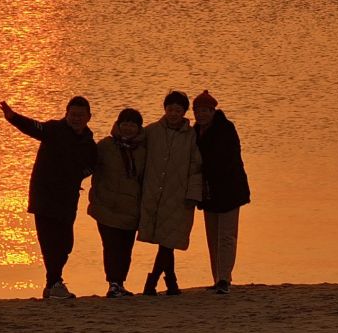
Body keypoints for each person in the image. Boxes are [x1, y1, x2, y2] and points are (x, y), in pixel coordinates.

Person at [0, 96, 98, 299]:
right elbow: (34, 127)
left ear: (89, 117)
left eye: (80, 115)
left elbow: (92, 166)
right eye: (73, 114)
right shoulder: (54, 130)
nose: (76, 118)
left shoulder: (88, 142)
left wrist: (77, 174)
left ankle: (53, 283)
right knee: (49, 243)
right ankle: (54, 284)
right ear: (66, 114)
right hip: (44, 196)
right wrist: (13, 117)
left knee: (65, 244)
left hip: (67, 199)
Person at [137, 90, 202, 295]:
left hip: (179, 196)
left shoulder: (191, 136)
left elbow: (196, 166)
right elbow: (134, 148)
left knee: (169, 241)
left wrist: (193, 193)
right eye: (170, 109)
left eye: (178, 110)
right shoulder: (152, 131)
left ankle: (154, 281)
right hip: (154, 193)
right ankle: (169, 281)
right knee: (166, 241)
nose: (174, 113)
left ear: (184, 112)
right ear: (165, 109)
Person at [192, 88, 251, 295]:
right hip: (209, 192)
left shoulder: (225, 128)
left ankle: (224, 278)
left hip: (229, 190)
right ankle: (217, 277)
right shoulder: (195, 132)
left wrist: (204, 167)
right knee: (213, 237)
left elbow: (227, 159)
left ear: (213, 110)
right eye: (198, 111)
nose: (201, 115)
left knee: (226, 236)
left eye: (205, 111)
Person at [86, 107, 147, 298]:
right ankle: (113, 283)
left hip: (131, 208)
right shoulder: (105, 146)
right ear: (118, 125)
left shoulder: (143, 150)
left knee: (126, 248)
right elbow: (88, 166)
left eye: (132, 124)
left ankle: (120, 283)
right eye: (125, 124)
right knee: (111, 246)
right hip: (107, 206)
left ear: (138, 128)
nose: (128, 128)